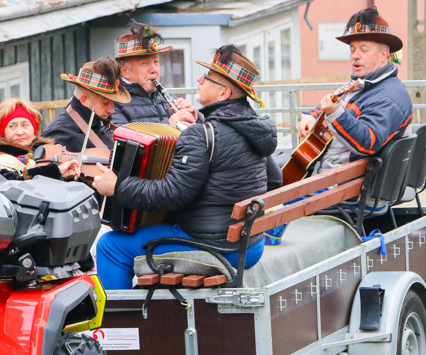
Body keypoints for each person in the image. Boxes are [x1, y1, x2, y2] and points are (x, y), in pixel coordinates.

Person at [90, 46, 277, 290]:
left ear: (224, 93)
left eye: (207, 78)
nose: (199, 79)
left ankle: (121, 326)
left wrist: (118, 186)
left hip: (217, 246)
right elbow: (275, 179)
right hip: (251, 244)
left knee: (110, 246)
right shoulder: (251, 129)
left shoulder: (202, 135)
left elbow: (172, 195)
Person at [296, 7, 412, 173]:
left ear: (383, 55)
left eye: (363, 50)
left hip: (345, 184)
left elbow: (368, 142)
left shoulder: (390, 96)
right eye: (352, 50)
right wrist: (308, 120)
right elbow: (322, 110)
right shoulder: (361, 84)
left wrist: (336, 114)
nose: (355, 56)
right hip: (332, 175)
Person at [111, 20, 197, 128]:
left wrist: (194, 117)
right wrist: (169, 126)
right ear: (125, 71)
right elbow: (121, 139)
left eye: (156, 62)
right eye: (144, 63)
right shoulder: (113, 102)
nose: (154, 70)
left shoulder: (165, 96)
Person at [40, 57, 130, 152]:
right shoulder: (58, 136)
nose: (112, 110)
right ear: (84, 100)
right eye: (106, 103)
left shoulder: (98, 125)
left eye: (112, 104)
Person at [0, 98, 80, 180]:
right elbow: (12, 186)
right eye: (12, 126)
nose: (20, 132)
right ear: (2, 134)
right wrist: (54, 172)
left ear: (34, 132)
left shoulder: (50, 155)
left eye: (25, 125)